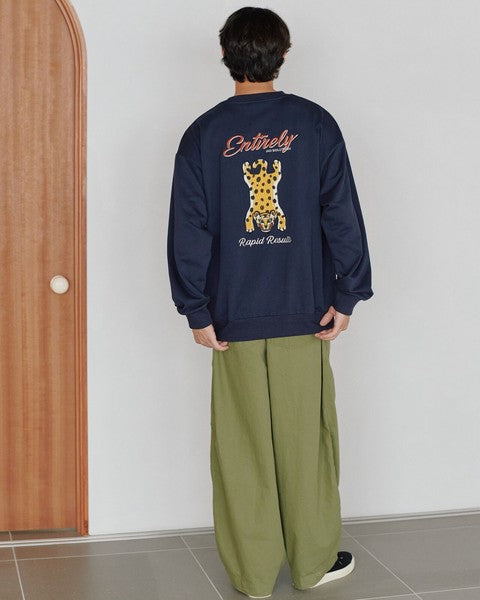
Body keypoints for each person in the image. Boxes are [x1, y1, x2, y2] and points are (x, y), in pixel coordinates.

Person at [167, 6, 374, 598]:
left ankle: (254, 576)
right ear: (283, 54)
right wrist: (348, 292)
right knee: (307, 443)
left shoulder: (203, 134)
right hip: (304, 314)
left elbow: (188, 228)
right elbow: (341, 213)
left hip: (230, 318)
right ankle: (312, 565)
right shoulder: (315, 124)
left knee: (242, 448)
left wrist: (195, 308)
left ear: (224, 54)